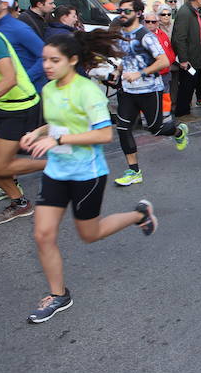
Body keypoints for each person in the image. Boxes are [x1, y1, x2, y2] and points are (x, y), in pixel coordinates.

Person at [21, 30, 158, 323]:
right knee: (42, 234)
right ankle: (58, 294)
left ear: (72, 60)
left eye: (54, 60)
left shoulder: (88, 91)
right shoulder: (49, 89)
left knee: (89, 234)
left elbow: (104, 133)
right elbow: (58, 124)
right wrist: (38, 132)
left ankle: (139, 214)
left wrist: (58, 141)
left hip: (87, 174)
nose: (47, 65)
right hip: (56, 171)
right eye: (44, 59)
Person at [113, 0, 189, 186]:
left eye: (127, 11)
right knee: (123, 128)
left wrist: (140, 73)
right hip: (129, 92)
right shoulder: (122, 35)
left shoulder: (146, 36)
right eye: (120, 10)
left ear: (138, 13)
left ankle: (178, 131)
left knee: (156, 128)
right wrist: (117, 71)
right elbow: (125, 59)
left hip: (150, 90)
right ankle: (134, 171)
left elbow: (164, 61)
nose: (122, 14)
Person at [0, 27, 46, 224]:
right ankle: (20, 203)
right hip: (0, 104)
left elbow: (9, 78)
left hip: (18, 107)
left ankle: (60, 165)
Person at [0, 0, 47, 91]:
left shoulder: (18, 28)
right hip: (4, 96)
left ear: (4, 4)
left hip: (25, 97)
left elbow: (45, 55)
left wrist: (25, 78)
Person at [171, 0, 201, 117]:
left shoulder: (195, 11)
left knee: (191, 85)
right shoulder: (185, 12)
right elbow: (179, 38)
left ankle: (185, 110)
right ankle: (182, 112)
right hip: (189, 58)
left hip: (196, 56)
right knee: (186, 86)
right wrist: (183, 59)